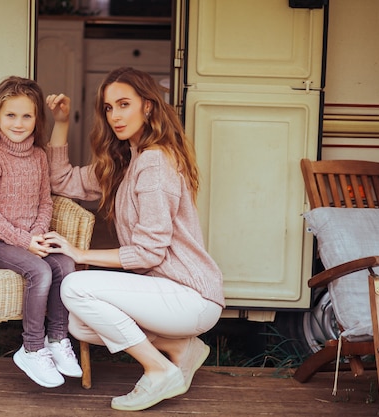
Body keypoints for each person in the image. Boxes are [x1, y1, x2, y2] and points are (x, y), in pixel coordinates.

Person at [43, 67, 224, 411]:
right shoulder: (125, 161)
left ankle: (158, 370)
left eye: (124, 104)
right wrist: (62, 122)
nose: (115, 115)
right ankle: (181, 348)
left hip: (190, 295)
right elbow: (61, 180)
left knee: (74, 288)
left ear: (148, 106)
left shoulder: (155, 162)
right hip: (167, 293)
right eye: (109, 108)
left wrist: (80, 253)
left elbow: (148, 253)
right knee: (81, 323)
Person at [0, 76, 82, 388]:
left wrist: (38, 236)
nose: (19, 123)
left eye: (27, 115)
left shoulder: (39, 156)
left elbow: (45, 201)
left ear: (37, 119)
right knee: (40, 271)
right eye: (11, 115)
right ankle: (32, 348)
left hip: (27, 240)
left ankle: (57, 339)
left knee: (65, 264)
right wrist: (26, 241)